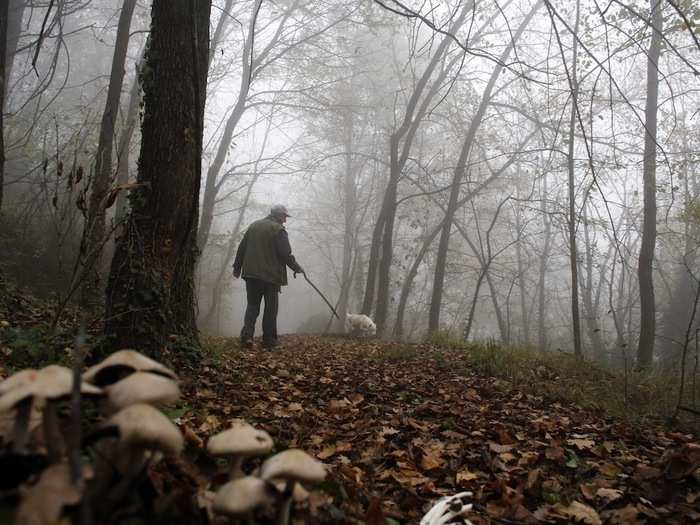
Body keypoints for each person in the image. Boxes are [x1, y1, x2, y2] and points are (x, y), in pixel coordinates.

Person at [233, 204, 304, 349]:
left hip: (251, 274)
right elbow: (285, 254)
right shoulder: (278, 230)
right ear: (278, 215)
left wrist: (237, 267)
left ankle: (247, 337)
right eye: (284, 216)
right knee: (271, 309)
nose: (285, 220)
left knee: (252, 306)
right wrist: (296, 268)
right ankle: (269, 340)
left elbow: (242, 247)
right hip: (270, 277)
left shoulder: (254, 226)